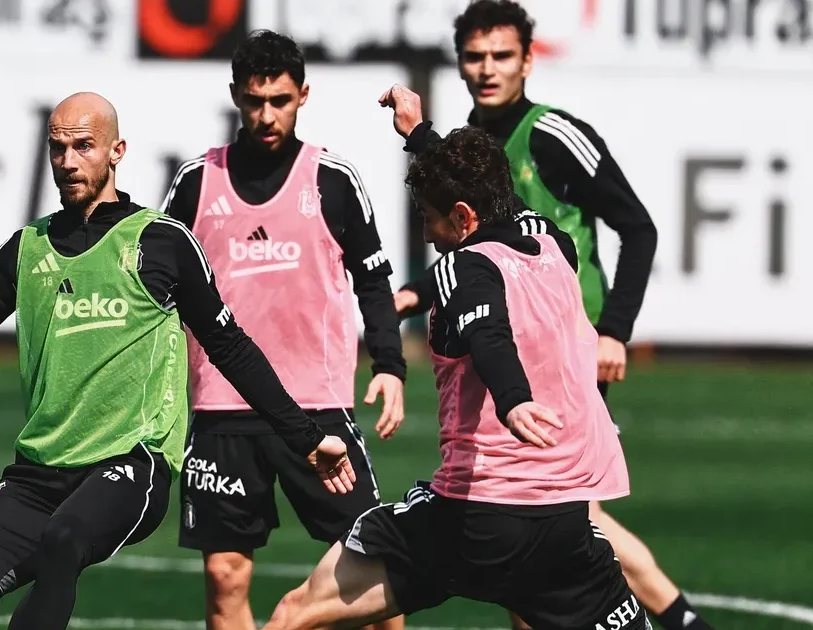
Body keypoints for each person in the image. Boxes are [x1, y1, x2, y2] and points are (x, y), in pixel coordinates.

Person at [0, 92, 356, 630]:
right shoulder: (28, 248)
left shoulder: (161, 242)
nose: (68, 161)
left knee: (63, 542)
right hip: (39, 471)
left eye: (83, 146)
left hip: (131, 463)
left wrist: (306, 438)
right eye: (58, 147)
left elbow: (230, 347)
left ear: (116, 151)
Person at [379, 3, 716, 630]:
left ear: (529, 61)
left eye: (502, 55)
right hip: (506, 349)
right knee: (531, 523)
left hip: (563, 353)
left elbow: (638, 228)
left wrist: (614, 330)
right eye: (475, 56)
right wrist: (420, 293)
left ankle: (682, 620)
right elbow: (486, 241)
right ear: (459, 63)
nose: (488, 68)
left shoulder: (553, 135)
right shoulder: (472, 147)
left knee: (565, 519)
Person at [259, 125, 649, 630]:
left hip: (473, 521)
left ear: (463, 216)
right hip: (564, 523)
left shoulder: (461, 268)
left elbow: (488, 334)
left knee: (295, 613)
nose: (426, 235)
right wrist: (423, 138)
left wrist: (512, 399)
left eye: (428, 217)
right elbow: (498, 203)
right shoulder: (554, 246)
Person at [160, 30, 406, 630]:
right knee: (225, 577)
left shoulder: (333, 179)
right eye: (254, 101)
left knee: (376, 571)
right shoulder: (196, 182)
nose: (266, 115)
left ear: (303, 95)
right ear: (235, 97)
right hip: (221, 409)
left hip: (317, 407)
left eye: (279, 100)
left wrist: (390, 365)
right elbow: (157, 287)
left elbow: (374, 282)